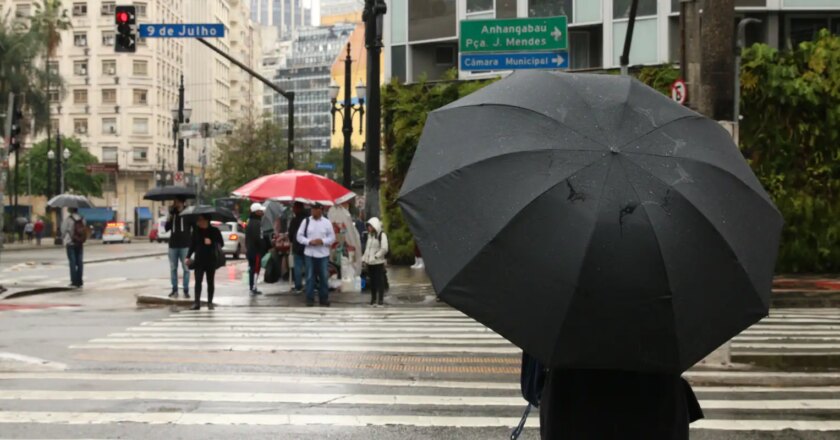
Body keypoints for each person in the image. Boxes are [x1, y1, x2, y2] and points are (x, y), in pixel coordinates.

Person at [538, 369, 704, 439]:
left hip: (573, 403)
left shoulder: (559, 301)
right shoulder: (665, 303)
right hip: (656, 401)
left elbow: (533, 383)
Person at [296, 202, 336, 307]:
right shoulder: (306, 221)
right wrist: (309, 242)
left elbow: (332, 238)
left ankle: (324, 298)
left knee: (323, 276)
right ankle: (310, 298)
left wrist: (322, 241)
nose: (312, 211)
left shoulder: (327, 223)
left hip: (323, 254)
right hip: (310, 253)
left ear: (320, 210)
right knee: (310, 277)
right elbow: (299, 237)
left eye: (315, 209)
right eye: (312, 209)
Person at [185, 214, 224, 311]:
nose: (199, 222)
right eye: (198, 220)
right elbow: (192, 245)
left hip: (211, 259)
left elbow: (221, 243)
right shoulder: (196, 231)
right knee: (198, 281)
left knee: (210, 281)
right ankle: (196, 302)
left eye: (201, 220)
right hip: (199, 260)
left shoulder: (214, 231)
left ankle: (210, 302)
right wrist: (188, 257)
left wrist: (212, 241)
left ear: (207, 220)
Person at [328, 200, 363, 279]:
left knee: (342, 263)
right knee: (341, 262)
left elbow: (347, 231)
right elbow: (350, 233)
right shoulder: (343, 213)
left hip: (340, 245)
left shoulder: (336, 212)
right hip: (339, 244)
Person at [165, 197, 191, 299]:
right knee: (173, 268)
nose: (175, 203)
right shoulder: (172, 213)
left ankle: (186, 290)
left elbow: (193, 227)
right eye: (174, 202)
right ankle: (174, 289)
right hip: (173, 245)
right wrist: (170, 216)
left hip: (185, 245)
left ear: (182, 202)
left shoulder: (188, 213)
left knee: (186, 269)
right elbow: (166, 228)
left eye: (177, 202)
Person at [362, 217, 389, 307]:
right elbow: (367, 249)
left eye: (370, 226)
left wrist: (376, 256)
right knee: (372, 282)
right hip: (370, 263)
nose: (368, 228)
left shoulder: (381, 235)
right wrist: (364, 259)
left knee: (380, 282)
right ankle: (373, 299)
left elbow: (384, 248)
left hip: (378, 262)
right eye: (368, 226)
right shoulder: (370, 236)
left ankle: (380, 299)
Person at [61, 208, 87, 288]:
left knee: (72, 262)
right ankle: (80, 280)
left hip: (70, 242)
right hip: (79, 243)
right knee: (79, 262)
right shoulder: (82, 219)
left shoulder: (68, 219)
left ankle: (74, 281)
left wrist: (64, 238)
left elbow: (63, 230)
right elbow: (84, 229)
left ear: (71, 210)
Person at [287, 202, 307, 294]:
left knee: (297, 267)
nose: (293, 210)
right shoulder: (308, 220)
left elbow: (290, 234)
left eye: (294, 208)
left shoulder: (294, 220)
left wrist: (292, 241)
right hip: (308, 246)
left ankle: (298, 286)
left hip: (297, 246)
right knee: (308, 267)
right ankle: (309, 285)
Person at [245, 202, 265, 295]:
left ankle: (252, 286)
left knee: (251, 268)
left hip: (250, 249)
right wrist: (262, 247)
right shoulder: (258, 223)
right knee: (255, 268)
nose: (262, 212)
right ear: (256, 212)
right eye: (260, 211)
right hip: (256, 250)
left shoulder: (249, 221)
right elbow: (259, 237)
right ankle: (253, 287)